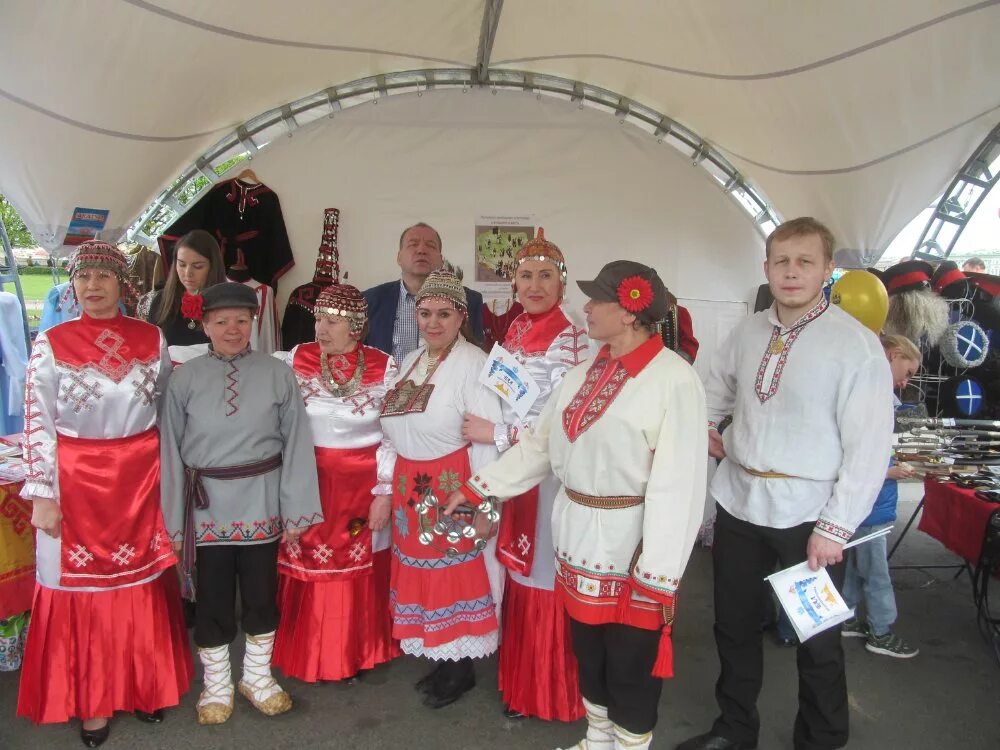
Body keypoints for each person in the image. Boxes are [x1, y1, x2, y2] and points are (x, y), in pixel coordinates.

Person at [446, 260, 708, 750]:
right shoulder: (585, 371)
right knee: (589, 654)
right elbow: (540, 446)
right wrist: (479, 487)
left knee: (629, 664)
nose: (585, 307)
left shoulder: (674, 379)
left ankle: (629, 746)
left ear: (630, 311)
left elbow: (682, 484)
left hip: (633, 549)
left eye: (597, 299)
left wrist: (658, 573)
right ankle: (597, 738)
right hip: (578, 541)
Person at [678, 217, 894, 750]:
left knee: (815, 638)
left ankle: (821, 739)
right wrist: (708, 425)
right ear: (767, 268)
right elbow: (714, 386)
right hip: (739, 504)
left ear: (827, 270)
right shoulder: (748, 331)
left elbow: (869, 447)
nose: (791, 272)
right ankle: (734, 730)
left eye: (805, 262)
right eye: (782, 261)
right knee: (733, 628)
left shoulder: (855, 346)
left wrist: (836, 527)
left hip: (808, 516)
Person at [17, 241, 192, 747]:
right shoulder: (51, 343)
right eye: (83, 278)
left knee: (137, 583)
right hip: (75, 483)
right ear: (73, 286)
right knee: (82, 589)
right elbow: (37, 424)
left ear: (123, 283)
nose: (92, 287)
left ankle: (144, 685)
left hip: (139, 479)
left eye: (103, 277)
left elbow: (166, 413)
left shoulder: (151, 338)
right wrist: (43, 493)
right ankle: (92, 700)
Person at [159, 282, 322, 725]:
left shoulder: (277, 372)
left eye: (242, 320)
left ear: (254, 322)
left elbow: (298, 443)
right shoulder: (184, 378)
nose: (233, 330)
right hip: (204, 506)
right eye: (222, 321)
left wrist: (296, 511)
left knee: (260, 595)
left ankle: (256, 677)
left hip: (262, 503)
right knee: (211, 600)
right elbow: (169, 454)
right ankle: (215, 685)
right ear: (205, 324)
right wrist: (173, 524)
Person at [459, 228, 590, 722]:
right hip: (516, 475)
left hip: (549, 476)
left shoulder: (572, 339)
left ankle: (551, 692)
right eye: (525, 275)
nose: (534, 285)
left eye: (545, 276)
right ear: (513, 283)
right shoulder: (514, 330)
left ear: (562, 284)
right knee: (518, 572)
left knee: (543, 577)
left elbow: (565, 426)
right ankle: (521, 682)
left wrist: (496, 434)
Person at [379, 264, 504, 709]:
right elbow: (390, 429)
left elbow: (485, 436)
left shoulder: (475, 365)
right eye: (425, 313)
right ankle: (441, 652)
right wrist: (386, 488)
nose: (433, 323)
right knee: (424, 575)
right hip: (411, 484)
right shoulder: (412, 360)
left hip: (453, 483)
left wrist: (482, 498)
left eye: (443, 315)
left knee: (455, 575)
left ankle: (460, 668)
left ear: (460, 317)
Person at [271, 283, 401, 681]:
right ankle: (309, 647)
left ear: (356, 326)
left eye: (331, 322)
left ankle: (356, 650)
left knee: (356, 559)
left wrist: (384, 490)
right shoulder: (297, 358)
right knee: (309, 554)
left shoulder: (384, 366)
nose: (320, 330)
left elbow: (395, 433)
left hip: (363, 483)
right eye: (318, 320)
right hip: (309, 478)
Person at [840, 334, 921, 659]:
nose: (906, 382)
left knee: (857, 567)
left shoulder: (870, 396)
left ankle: (846, 616)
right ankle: (881, 631)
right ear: (893, 354)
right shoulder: (873, 399)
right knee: (876, 574)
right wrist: (892, 472)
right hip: (872, 508)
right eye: (909, 371)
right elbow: (860, 458)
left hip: (867, 507)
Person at [364, 223, 485, 361]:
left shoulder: (469, 300)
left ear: (441, 259)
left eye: (430, 245)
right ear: (399, 257)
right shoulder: (370, 300)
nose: (421, 250)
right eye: (413, 244)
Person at [142, 229, 226, 350]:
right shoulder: (161, 301)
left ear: (213, 267)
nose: (188, 273)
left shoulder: (228, 303)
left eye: (198, 266)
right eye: (181, 265)